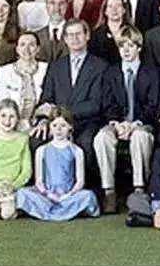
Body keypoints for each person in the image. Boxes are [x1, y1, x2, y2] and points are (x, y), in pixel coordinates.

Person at [93, 25, 160, 213]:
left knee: (140, 136)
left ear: (139, 48)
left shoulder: (151, 72)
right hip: (117, 123)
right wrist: (116, 123)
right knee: (102, 137)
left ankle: (139, 189)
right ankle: (109, 191)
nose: (126, 50)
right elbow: (107, 103)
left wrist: (135, 124)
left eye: (130, 46)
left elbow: (153, 104)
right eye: (122, 46)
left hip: (142, 123)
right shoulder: (111, 72)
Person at [39, 19, 110, 191]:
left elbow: (96, 104)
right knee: (37, 139)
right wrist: (43, 119)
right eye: (70, 35)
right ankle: (46, 188)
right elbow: (46, 98)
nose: (74, 38)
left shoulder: (100, 66)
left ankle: (84, 190)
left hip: (87, 122)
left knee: (85, 143)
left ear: (87, 36)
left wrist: (60, 112)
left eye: (78, 34)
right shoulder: (56, 66)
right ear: (64, 39)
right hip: (56, 123)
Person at [16, 107, 101, 221]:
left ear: (70, 127)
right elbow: (39, 181)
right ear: (50, 126)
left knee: (88, 196)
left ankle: (53, 211)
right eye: (55, 125)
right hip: (47, 195)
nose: (58, 129)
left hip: (68, 195)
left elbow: (80, 181)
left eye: (63, 125)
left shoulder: (76, 150)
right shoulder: (42, 150)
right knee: (22, 193)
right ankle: (64, 211)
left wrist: (68, 195)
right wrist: (48, 194)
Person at [0, 32, 49, 140]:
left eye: (31, 45)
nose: (26, 49)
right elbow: (1, 100)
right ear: (17, 49)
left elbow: (50, 99)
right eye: (22, 44)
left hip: (38, 122)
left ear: (38, 49)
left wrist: (44, 120)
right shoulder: (5, 71)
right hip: (11, 122)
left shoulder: (47, 69)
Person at [87, 0, 126, 64]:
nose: (114, 9)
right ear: (105, 11)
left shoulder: (132, 32)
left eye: (118, 5)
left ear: (124, 10)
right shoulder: (96, 35)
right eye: (110, 6)